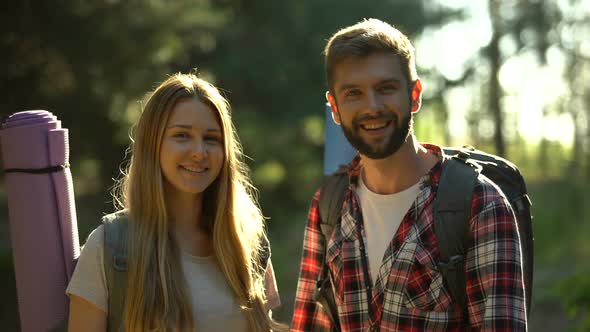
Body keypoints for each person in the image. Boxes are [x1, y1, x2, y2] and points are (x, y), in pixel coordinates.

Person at [292, 19, 527, 331]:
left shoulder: (479, 203)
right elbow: (309, 326)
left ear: (414, 95)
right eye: (353, 94)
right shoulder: (330, 205)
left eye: (385, 88)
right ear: (334, 107)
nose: (372, 106)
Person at [67, 73, 286, 331]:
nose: (199, 152)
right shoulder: (109, 247)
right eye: (182, 135)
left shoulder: (247, 242)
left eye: (211, 139)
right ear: (153, 144)